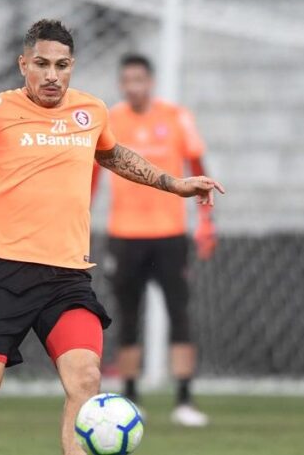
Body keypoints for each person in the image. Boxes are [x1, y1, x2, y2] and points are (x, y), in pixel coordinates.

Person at [0, 19, 224, 455]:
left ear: (72, 66)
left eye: (61, 65)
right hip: (7, 271)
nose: (52, 75)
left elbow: (114, 155)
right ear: (23, 64)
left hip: (68, 276)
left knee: (85, 379)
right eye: (42, 64)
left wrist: (174, 184)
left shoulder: (91, 111)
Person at [92, 53, 214, 427]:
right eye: (126, 80)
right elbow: (92, 176)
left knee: (180, 314)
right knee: (128, 316)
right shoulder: (110, 120)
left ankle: (185, 399)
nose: (133, 87)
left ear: (151, 82)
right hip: (124, 235)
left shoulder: (176, 117)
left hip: (170, 235)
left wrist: (206, 221)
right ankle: (130, 397)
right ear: (120, 84)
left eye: (139, 80)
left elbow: (198, 167)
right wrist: (82, 217)